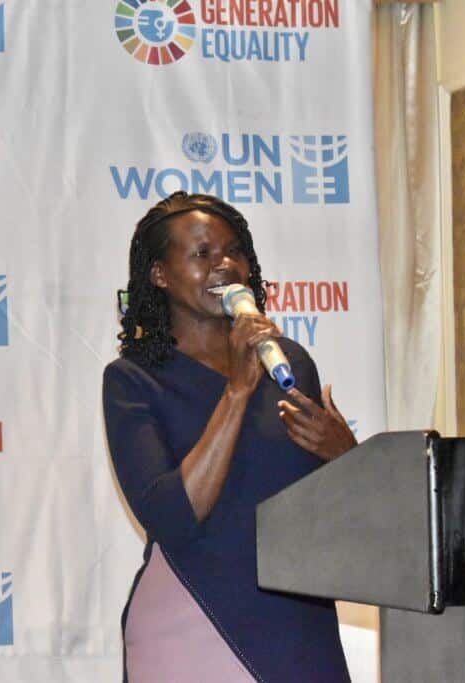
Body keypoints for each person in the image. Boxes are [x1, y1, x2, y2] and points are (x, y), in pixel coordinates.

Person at [102, 192, 358, 682]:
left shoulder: (289, 364)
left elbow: (334, 512)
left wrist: (346, 455)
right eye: (202, 253)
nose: (225, 264)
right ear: (159, 274)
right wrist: (238, 391)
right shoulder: (133, 380)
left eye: (234, 250)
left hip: (299, 624)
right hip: (193, 619)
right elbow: (174, 519)